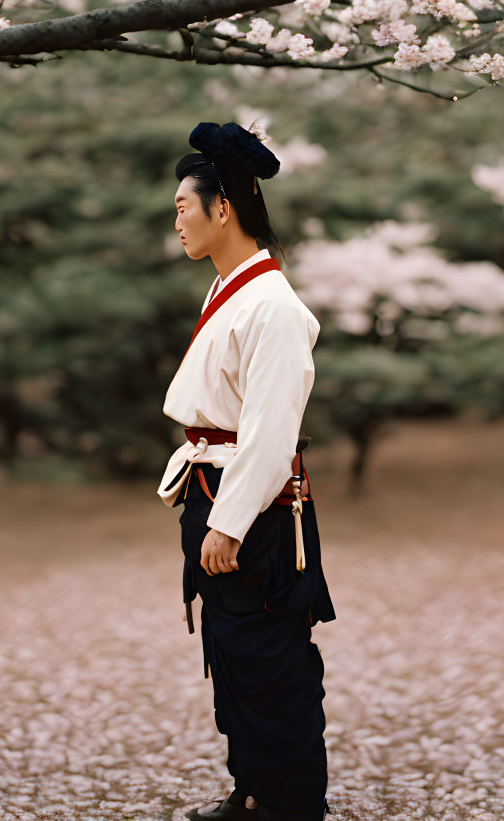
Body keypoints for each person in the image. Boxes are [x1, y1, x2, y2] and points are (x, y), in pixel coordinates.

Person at [156, 121, 337, 821]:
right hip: (213, 482)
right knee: (230, 650)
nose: (175, 217)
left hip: (253, 505)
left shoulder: (272, 306)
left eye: (181, 204)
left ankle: (290, 804)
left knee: (269, 656)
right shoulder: (229, 290)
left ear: (221, 207)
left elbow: (269, 431)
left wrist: (229, 523)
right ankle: (254, 788)